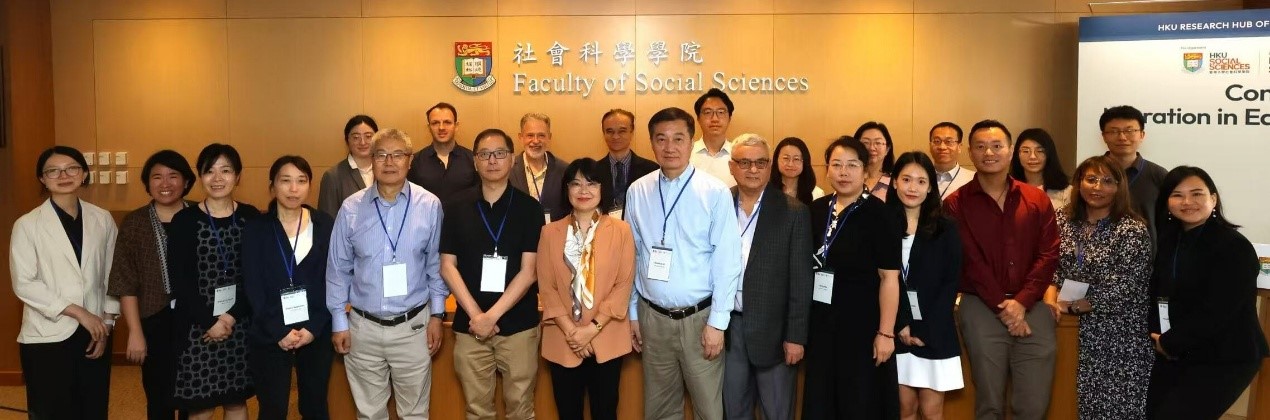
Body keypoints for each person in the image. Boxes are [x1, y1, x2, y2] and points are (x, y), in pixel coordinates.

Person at [627, 107, 741, 420]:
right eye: (661, 139)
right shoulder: (638, 191)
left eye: (678, 138)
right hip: (652, 318)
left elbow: (727, 260)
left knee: (708, 410)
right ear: (651, 143)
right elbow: (633, 255)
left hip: (700, 319)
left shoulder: (714, 191)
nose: (670, 147)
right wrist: (633, 313)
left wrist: (718, 323)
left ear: (692, 142)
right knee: (660, 410)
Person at [326, 128, 448, 419]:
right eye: (381, 155)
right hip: (362, 329)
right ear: (371, 160)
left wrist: (437, 315)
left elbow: (435, 264)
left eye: (397, 155)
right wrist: (339, 321)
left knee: (415, 413)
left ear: (410, 160)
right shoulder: (351, 208)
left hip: (413, 327)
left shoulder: (429, 205)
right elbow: (338, 268)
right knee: (369, 413)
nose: (389, 162)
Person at [944, 120, 1059, 420]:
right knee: (989, 402)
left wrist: (1021, 302)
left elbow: (1048, 254)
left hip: (1032, 305)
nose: (989, 153)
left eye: (997, 146)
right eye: (981, 147)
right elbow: (969, 261)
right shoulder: (955, 204)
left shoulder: (1036, 199)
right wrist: (1004, 307)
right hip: (980, 305)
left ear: (1010, 151)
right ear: (970, 152)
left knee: (1033, 405)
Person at [1146, 166, 1268, 419]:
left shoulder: (1234, 247)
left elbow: (1218, 311)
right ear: (1166, 201)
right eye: (1177, 195)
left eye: (1197, 194)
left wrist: (1170, 342)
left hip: (1225, 355)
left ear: (1213, 199)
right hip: (1177, 350)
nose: (1187, 202)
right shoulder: (1170, 240)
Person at [441, 128, 545, 420]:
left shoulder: (529, 208)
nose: (492, 160)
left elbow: (529, 271)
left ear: (512, 159)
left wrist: (491, 316)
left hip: (519, 326)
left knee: (521, 408)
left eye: (500, 153)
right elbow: (447, 265)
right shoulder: (455, 206)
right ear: (475, 161)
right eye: (484, 154)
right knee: (477, 410)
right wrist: (478, 316)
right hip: (470, 326)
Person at [11, 146, 117, 420]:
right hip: (48, 334)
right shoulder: (27, 224)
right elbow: (24, 283)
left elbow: (113, 275)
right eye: (53, 171)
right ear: (42, 179)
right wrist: (79, 312)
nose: (64, 175)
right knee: (51, 411)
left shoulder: (102, 218)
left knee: (92, 409)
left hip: (95, 331)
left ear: (84, 174)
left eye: (72, 168)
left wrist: (107, 324)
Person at [802, 136, 902, 419]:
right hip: (821, 322)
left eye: (852, 165)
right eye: (836, 165)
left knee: (858, 401)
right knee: (822, 401)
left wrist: (885, 333)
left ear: (865, 170)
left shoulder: (881, 214)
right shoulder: (816, 210)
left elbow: (889, 278)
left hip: (863, 326)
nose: (843, 172)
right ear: (827, 170)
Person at [1053, 156, 1153, 420]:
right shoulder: (1062, 219)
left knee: (1116, 409)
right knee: (1070, 404)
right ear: (1079, 183)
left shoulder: (1131, 229)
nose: (1097, 187)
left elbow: (1126, 285)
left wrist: (1075, 306)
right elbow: (1050, 264)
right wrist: (1053, 300)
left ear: (1119, 187)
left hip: (1118, 335)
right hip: (1069, 327)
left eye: (1107, 181)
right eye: (1091, 179)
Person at [721, 134, 813, 420]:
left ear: (770, 166)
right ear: (731, 166)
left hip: (775, 334)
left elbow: (801, 281)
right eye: (744, 163)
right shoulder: (718, 204)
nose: (753, 169)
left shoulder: (794, 212)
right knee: (734, 411)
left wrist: (795, 337)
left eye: (760, 163)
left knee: (777, 413)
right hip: (729, 328)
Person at [537, 158, 636, 420]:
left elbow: (623, 285)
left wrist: (591, 330)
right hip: (564, 339)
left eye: (591, 183)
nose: (584, 190)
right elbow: (547, 288)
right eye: (576, 184)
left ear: (603, 188)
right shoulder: (550, 232)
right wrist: (574, 333)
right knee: (568, 413)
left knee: (606, 413)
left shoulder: (621, 231)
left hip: (606, 336)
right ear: (566, 189)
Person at [167, 143, 259, 420]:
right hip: (198, 327)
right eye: (209, 171)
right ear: (200, 176)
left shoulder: (251, 217)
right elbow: (180, 279)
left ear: (238, 176)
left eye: (226, 170)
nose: (217, 178)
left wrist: (229, 318)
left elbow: (258, 276)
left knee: (236, 401)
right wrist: (210, 322)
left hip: (240, 324)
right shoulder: (184, 220)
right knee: (201, 405)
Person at [243, 156, 334, 420]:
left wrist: (313, 327)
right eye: (285, 181)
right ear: (272, 186)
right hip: (270, 330)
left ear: (309, 185)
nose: (294, 189)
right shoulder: (257, 228)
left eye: (301, 181)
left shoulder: (325, 224)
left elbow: (334, 279)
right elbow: (253, 285)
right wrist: (278, 331)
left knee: (315, 405)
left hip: (315, 329)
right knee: (272, 408)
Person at [108, 150, 195, 420]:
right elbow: (125, 282)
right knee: (159, 397)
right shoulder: (134, 223)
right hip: (153, 319)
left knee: (197, 396)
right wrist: (135, 332)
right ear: (147, 183)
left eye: (173, 176)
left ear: (186, 181)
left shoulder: (200, 216)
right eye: (157, 177)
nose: (165, 183)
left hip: (198, 318)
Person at [886, 151, 964, 420]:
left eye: (921, 181)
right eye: (906, 179)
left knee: (932, 411)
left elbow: (950, 282)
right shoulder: (882, 225)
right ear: (894, 181)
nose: (913, 188)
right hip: (894, 331)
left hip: (934, 330)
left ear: (930, 187)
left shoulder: (946, 228)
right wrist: (901, 324)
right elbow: (879, 280)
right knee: (904, 409)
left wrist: (923, 329)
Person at [1098, 105, 1167, 241]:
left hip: (1146, 252)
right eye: (1114, 131)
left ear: (1142, 135)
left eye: (1129, 130)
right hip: (1096, 251)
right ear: (1104, 136)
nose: (1122, 137)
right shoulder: (1090, 174)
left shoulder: (1158, 175)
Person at [408, 102, 480, 205]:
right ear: (429, 127)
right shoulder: (415, 161)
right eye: (435, 123)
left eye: (447, 122)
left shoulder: (473, 160)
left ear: (456, 126)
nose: (441, 127)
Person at [594, 108, 659, 218]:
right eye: (609, 131)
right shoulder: (593, 171)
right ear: (603, 133)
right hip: (603, 227)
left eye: (622, 131)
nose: (615, 136)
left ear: (632, 132)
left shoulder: (652, 170)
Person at [510, 113, 570, 222]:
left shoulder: (565, 170)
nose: (536, 141)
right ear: (521, 137)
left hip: (555, 232)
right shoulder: (508, 169)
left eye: (541, 135)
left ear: (549, 137)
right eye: (530, 135)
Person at [318, 114, 378, 216]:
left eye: (368, 136)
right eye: (356, 137)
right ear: (347, 140)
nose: (363, 142)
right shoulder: (333, 176)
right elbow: (327, 219)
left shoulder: (386, 170)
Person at [1011, 128, 1072, 211]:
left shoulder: (1066, 192)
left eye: (1040, 151)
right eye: (1026, 151)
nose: (1032, 156)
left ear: (1049, 154)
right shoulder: (1009, 189)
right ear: (1017, 155)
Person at [691, 88, 737, 186]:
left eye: (721, 112)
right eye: (708, 112)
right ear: (698, 118)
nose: (715, 119)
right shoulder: (686, 153)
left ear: (729, 118)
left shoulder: (738, 154)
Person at [770, 136, 825, 206]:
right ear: (776, 160)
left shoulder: (816, 193)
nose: (790, 164)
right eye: (786, 158)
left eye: (796, 159)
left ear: (805, 162)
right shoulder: (765, 190)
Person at [928, 122, 975, 199]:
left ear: (959, 147)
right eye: (937, 141)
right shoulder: (921, 177)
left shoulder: (973, 179)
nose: (942, 147)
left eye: (949, 141)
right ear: (930, 146)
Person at [855, 121, 896, 200]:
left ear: (887, 149)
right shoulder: (849, 178)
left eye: (878, 142)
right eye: (866, 143)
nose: (872, 148)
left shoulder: (895, 182)